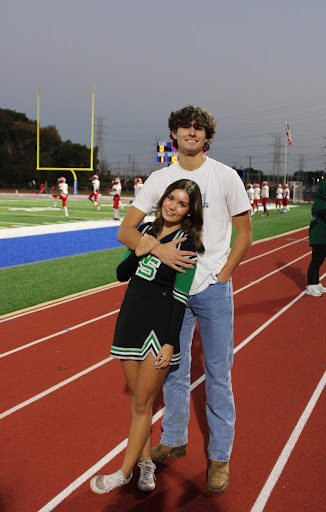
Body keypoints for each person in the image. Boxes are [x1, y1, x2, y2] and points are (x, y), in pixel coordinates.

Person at [115, 105, 252, 493]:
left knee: (219, 375)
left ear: (207, 136)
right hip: (166, 293)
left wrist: (222, 275)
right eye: (184, 127)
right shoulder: (161, 178)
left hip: (211, 290)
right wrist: (157, 249)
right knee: (172, 369)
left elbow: (244, 235)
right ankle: (174, 439)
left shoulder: (225, 176)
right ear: (173, 134)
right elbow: (127, 231)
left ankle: (220, 457)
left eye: (198, 128)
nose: (191, 133)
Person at [90, 179, 204, 494]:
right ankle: (146, 464)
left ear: (189, 212)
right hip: (130, 320)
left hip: (159, 328)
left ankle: (124, 473)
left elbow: (181, 299)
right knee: (140, 404)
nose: (173, 206)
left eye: (182, 203)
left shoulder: (187, 245)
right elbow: (121, 274)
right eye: (171, 198)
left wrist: (171, 342)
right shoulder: (149, 231)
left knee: (142, 401)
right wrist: (141, 249)